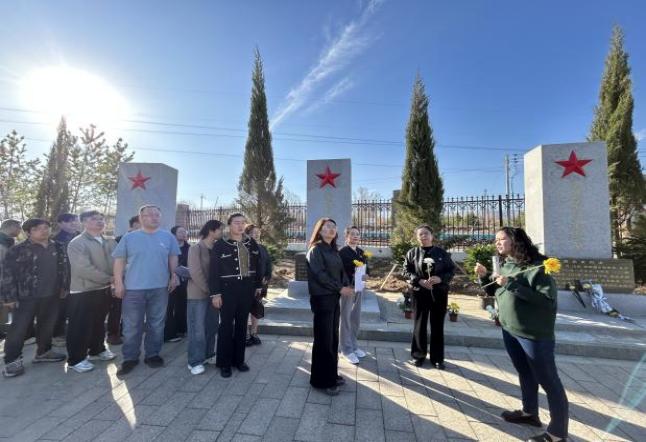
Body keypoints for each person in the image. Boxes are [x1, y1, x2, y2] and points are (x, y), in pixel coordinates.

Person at [475, 227, 568, 442]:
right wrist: (484, 277)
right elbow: (495, 290)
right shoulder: (507, 264)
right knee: (525, 372)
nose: (497, 243)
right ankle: (530, 413)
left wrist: (511, 284)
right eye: (496, 240)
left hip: (534, 335)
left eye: (502, 239)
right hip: (510, 329)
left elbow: (547, 302)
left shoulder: (539, 267)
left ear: (515, 241)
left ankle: (557, 433)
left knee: (549, 381)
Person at [112, 205, 180, 376]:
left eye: (157, 214)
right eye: (149, 215)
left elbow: (173, 257)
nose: (154, 217)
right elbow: (119, 261)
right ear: (141, 218)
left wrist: (174, 275)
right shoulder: (129, 237)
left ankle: (153, 354)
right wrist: (118, 283)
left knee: (156, 324)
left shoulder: (168, 237)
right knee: (131, 326)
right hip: (133, 289)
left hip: (160, 288)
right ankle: (130, 358)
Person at [1, 219, 70, 378]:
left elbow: (65, 268)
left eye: (46, 227)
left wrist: (64, 287)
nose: (44, 231)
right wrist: (9, 297)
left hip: (52, 294)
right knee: (19, 329)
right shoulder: (17, 250)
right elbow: (7, 274)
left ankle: (43, 352)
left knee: (47, 325)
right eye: (38, 229)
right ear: (28, 232)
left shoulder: (58, 247)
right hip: (25, 296)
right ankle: (12, 360)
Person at [208, 213, 262, 378]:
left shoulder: (251, 242)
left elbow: (258, 264)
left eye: (243, 223)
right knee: (226, 326)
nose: (240, 226)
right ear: (229, 225)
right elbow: (213, 271)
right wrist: (215, 294)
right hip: (227, 291)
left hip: (246, 290)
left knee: (241, 325)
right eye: (236, 222)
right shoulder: (220, 245)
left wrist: (258, 285)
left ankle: (239, 360)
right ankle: (224, 363)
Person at [306, 218, 354, 396]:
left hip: (333, 298)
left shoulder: (333, 250)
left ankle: (331, 374)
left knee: (332, 338)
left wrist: (347, 284)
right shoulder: (316, 249)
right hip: (322, 299)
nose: (332, 229)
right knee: (323, 340)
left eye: (334, 226)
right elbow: (320, 275)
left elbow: (341, 272)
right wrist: (340, 288)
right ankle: (322, 381)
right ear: (320, 230)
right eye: (328, 226)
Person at [65, 211, 117, 373]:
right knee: (79, 325)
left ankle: (97, 349)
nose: (99, 222)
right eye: (94, 219)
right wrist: (110, 279)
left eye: (101, 219)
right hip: (83, 290)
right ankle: (76, 359)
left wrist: (117, 277)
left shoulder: (110, 241)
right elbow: (83, 268)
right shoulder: (77, 243)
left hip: (103, 289)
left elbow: (118, 261)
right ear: (83, 223)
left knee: (98, 322)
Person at [403, 225, 455, 369]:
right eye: (420, 234)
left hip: (439, 293)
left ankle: (437, 358)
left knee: (437, 324)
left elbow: (451, 270)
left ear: (432, 236)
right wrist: (418, 280)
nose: (423, 236)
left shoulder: (442, 253)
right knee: (419, 324)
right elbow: (406, 271)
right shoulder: (412, 253)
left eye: (426, 233)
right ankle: (418, 355)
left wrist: (440, 278)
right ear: (417, 237)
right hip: (419, 292)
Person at [186, 220, 223, 375]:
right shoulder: (196, 248)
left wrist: (216, 292)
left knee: (211, 326)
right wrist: (211, 291)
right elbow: (195, 272)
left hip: (214, 296)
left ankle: (208, 354)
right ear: (211, 231)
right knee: (197, 329)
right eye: (220, 229)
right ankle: (194, 361)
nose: (222, 232)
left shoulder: (217, 248)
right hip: (198, 294)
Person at [338, 226, 368, 365]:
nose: (355, 236)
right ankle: (346, 349)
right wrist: (346, 284)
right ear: (347, 236)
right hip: (348, 288)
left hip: (359, 287)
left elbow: (366, 267)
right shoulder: (342, 252)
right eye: (352, 234)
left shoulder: (361, 252)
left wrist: (366, 275)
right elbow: (339, 271)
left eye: (357, 234)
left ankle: (354, 346)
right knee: (345, 318)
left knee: (356, 317)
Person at [109, 215, 141, 345]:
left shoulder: (143, 240)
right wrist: (116, 282)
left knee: (132, 309)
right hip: (121, 279)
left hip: (136, 280)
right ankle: (113, 334)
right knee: (116, 308)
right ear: (133, 225)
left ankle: (125, 331)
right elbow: (114, 261)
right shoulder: (119, 240)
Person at [52, 213, 80, 346]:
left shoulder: (81, 237)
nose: (73, 223)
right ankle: (58, 335)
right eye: (69, 221)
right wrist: (61, 284)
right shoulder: (55, 240)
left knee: (77, 308)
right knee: (60, 309)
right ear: (60, 224)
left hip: (81, 279)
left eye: (75, 221)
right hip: (63, 280)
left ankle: (75, 333)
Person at [244, 224, 272, 347]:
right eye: (253, 232)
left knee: (256, 310)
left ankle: (254, 334)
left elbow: (268, 264)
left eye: (258, 232)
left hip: (261, 285)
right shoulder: (244, 247)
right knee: (245, 311)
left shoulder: (262, 248)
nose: (256, 234)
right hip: (248, 285)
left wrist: (267, 277)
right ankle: (245, 335)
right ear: (247, 234)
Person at [164, 225, 190, 343]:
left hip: (184, 281)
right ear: (174, 234)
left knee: (182, 305)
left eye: (185, 232)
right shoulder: (167, 247)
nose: (184, 234)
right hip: (169, 280)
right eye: (180, 232)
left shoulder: (190, 248)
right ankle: (169, 333)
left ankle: (181, 329)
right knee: (169, 306)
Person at [0, 219, 21, 341]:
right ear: (11, 227)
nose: (20, 230)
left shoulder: (9, 242)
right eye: (18, 227)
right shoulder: (2, 244)